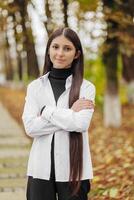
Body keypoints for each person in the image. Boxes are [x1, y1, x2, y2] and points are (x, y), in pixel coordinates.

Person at [22, 27, 95, 200]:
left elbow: (80, 124)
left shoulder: (86, 87)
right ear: (48, 50)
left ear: (76, 54)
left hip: (75, 170)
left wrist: (46, 111)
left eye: (67, 48)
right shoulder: (35, 87)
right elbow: (31, 127)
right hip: (40, 169)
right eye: (55, 47)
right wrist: (70, 113)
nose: (60, 53)